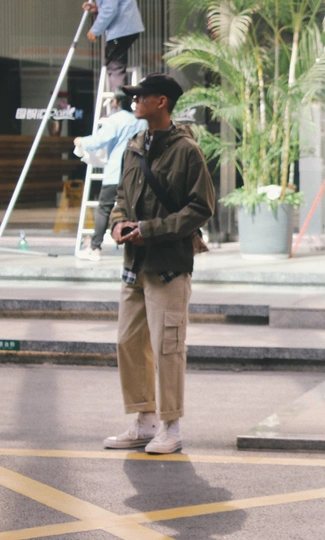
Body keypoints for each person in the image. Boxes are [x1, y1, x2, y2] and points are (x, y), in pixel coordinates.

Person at [104, 73, 215, 454]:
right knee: (128, 342)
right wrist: (118, 223)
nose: (134, 101)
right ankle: (145, 420)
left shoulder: (187, 151)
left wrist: (150, 230)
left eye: (141, 96)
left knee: (168, 347)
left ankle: (171, 426)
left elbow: (201, 207)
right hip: (134, 263)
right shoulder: (134, 147)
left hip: (168, 265)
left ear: (161, 101)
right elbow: (122, 196)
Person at [74, 88, 147, 261]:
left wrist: (80, 141)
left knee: (104, 209)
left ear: (115, 101)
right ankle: (138, 247)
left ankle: (95, 247)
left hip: (115, 173)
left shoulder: (114, 120)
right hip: (136, 173)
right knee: (136, 210)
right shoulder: (141, 121)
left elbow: (97, 141)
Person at [82, 0, 145, 91]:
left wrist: (95, 30)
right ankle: (121, 93)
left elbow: (109, 9)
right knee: (115, 60)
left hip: (120, 29)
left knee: (114, 63)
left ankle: (119, 94)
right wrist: (98, 8)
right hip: (127, 27)